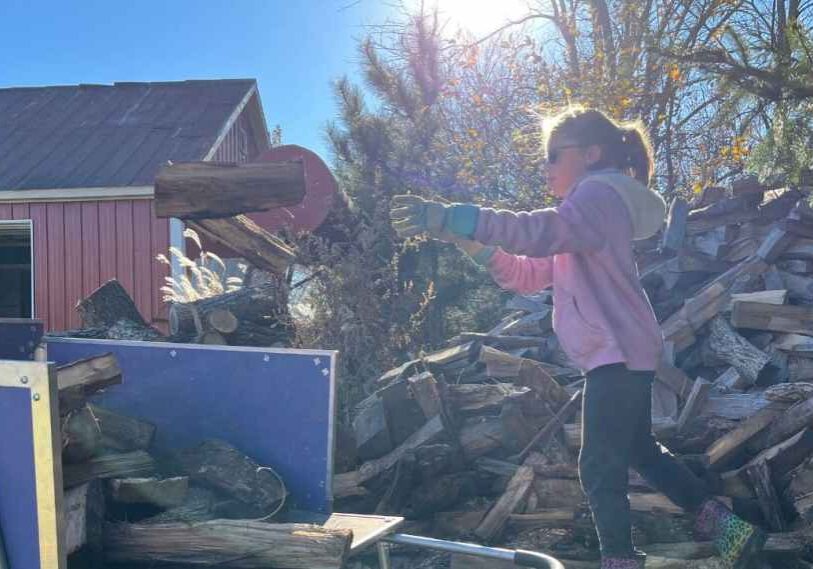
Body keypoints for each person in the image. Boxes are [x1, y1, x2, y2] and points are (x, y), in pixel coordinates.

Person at [389, 106, 766, 569]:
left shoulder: (597, 196)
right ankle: (729, 530)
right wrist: (466, 240)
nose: (545, 166)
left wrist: (461, 216)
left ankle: (619, 560)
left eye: (553, 155)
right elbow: (526, 274)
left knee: (598, 466)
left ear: (591, 154)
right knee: (640, 451)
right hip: (622, 350)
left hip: (615, 352)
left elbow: (536, 231)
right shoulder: (584, 217)